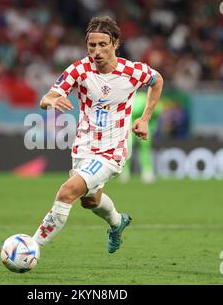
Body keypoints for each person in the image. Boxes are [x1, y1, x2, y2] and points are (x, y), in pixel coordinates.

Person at [33, 16, 164, 253]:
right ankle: (117, 222)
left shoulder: (132, 71)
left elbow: (157, 81)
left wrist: (144, 118)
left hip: (113, 151)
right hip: (84, 146)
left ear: (115, 43)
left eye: (103, 44)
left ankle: (31, 246)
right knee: (90, 201)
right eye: (92, 45)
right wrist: (52, 100)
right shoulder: (79, 70)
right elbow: (46, 98)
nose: (96, 51)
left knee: (67, 192)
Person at [120, 93, 164, 183]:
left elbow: (156, 114)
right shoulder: (151, 102)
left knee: (139, 150)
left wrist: (151, 126)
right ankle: (128, 172)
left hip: (138, 127)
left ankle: (144, 172)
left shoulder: (142, 99)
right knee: (132, 150)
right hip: (133, 127)